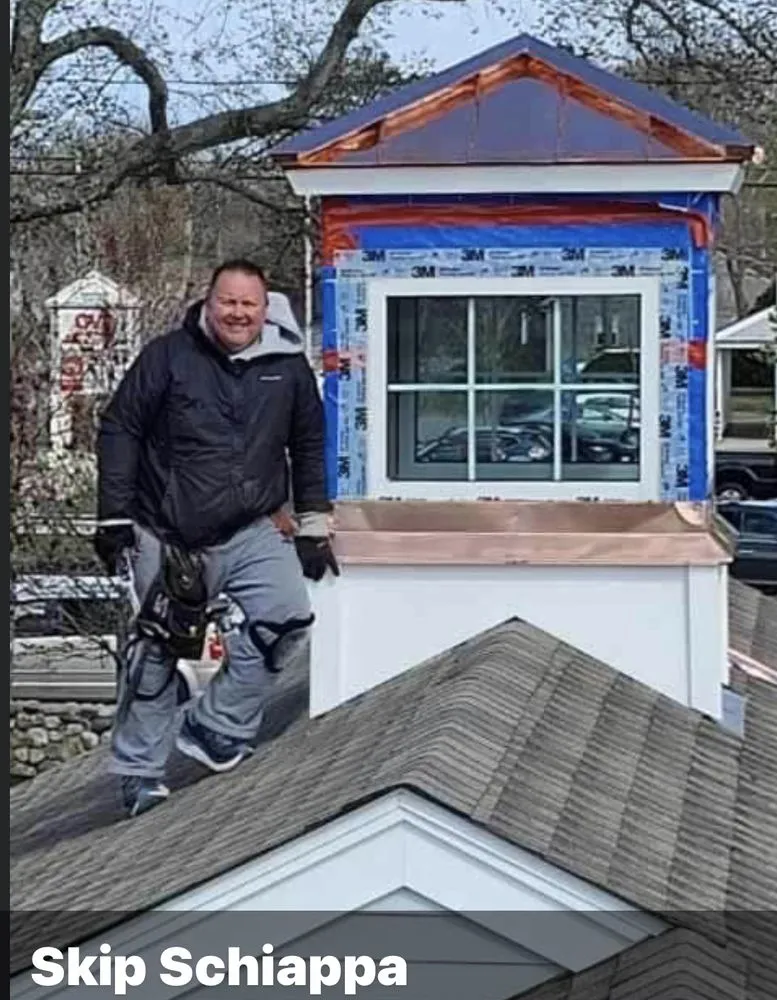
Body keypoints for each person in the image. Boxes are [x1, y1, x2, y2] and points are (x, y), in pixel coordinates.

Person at [93, 258, 338, 817]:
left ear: (265, 308)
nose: (237, 313)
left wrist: (314, 526)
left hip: (251, 527)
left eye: (248, 304)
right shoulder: (168, 357)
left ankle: (215, 726)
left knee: (287, 619)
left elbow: (307, 446)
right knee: (159, 649)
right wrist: (113, 518)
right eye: (227, 302)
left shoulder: (288, 366)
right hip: (168, 531)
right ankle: (139, 773)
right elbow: (120, 427)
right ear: (208, 303)